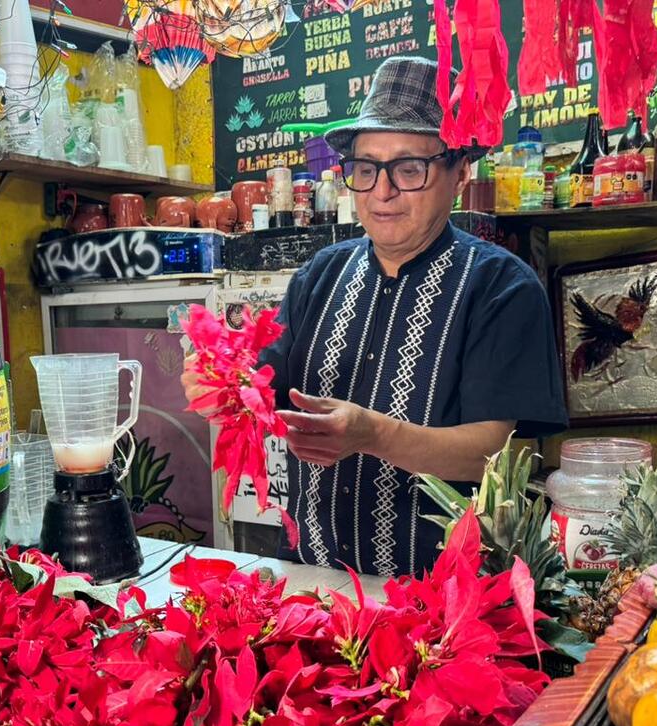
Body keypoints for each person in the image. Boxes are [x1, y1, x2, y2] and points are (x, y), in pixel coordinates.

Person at [185, 56, 568, 577]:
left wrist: (372, 435)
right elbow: (265, 384)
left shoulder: (501, 287)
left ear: (459, 172)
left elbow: (492, 454)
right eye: (365, 170)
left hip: (442, 593)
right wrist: (221, 382)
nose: (382, 192)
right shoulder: (320, 275)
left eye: (409, 169)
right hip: (317, 577)